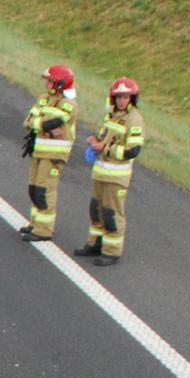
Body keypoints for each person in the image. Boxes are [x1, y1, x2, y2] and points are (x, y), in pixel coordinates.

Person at [75, 77, 147, 266]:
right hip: (101, 173)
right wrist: (95, 140)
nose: (121, 101)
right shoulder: (111, 116)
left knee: (112, 214)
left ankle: (112, 251)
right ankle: (95, 244)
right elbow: (105, 136)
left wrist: (104, 149)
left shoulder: (134, 120)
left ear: (132, 98)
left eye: (125, 97)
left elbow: (133, 151)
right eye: (118, 97)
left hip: (117, 177)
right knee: (95, 210)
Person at [19, 64, 77, 242]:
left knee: (45, 190)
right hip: (39, 151)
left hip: (54, 155)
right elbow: (28, 121)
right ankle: (35, 223)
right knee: (34, 189)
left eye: (50, 81)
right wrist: (45, 127)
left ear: (59, 84)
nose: (46, 84)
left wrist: (43, 125)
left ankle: (44, 230)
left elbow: (53, 122)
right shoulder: (44, 99)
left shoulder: (69, 104)